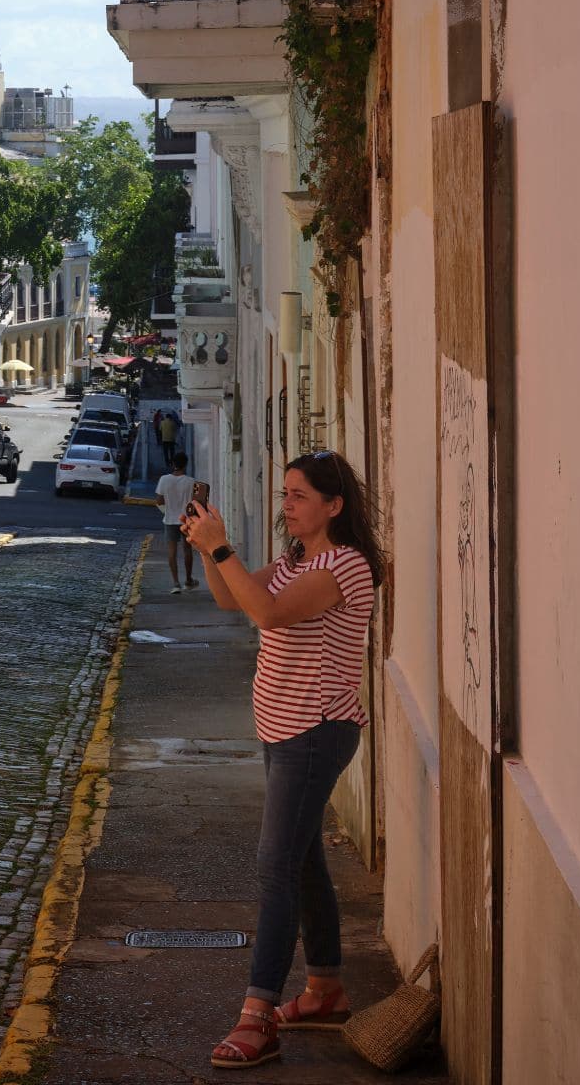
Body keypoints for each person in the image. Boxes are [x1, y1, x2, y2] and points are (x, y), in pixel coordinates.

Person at [181, 451, 384, 1070]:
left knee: (275, 868)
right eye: (286, 493)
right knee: (303, 862)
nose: (287, 505)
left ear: (334, 505)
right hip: (283, 730)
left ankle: (257, 1016)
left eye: (299, 496)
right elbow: (233, 600)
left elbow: (268, 613)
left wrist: (222, 549)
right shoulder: (300, 559)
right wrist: (207, 548)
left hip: (315, 732)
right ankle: (325, 990)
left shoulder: (344, 566)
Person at [153, 456, 200, 593]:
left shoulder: (164, 479)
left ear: (173, 464)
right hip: (186, 520)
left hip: (170, 519)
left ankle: (175, 583)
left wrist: (169, 505)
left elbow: (159, 501)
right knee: (187, 550)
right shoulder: (192, 482)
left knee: (172, 551)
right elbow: (196, 502)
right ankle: (188, 580)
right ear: (186, 464)